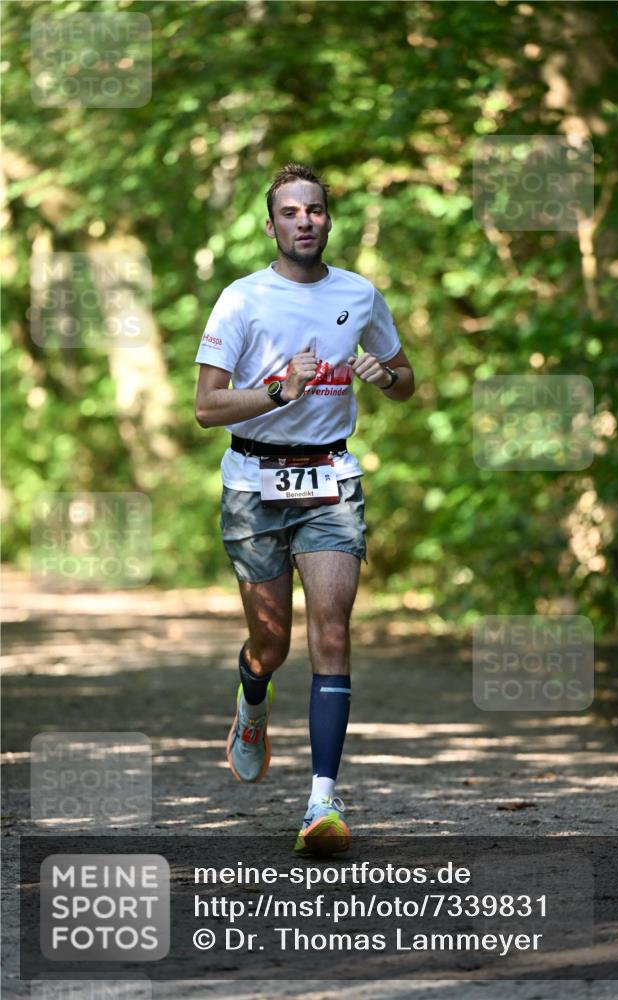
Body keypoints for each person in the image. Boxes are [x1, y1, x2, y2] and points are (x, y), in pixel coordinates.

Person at [195, 163, 414, 856]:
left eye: (314, 210)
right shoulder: (240, 300)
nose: (303, 221)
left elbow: (406, 380)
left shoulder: (358, 294)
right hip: (252, 481)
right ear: (271, 225)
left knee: (332, 630)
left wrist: (386, 377)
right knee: (273, 643)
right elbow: (205, 407)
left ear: (327, 219)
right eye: (290, 212)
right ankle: (252, 696)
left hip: (330, 481)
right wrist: (277, 393)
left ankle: (322, 799)